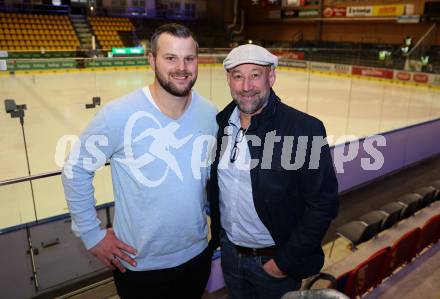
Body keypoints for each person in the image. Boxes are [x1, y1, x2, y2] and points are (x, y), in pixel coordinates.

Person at [62, 23, 218, 299]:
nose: (182, 67)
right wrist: (91, 235)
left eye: (189, 59)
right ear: (151, 60)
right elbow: (76, 168)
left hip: (196, 256)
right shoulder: (118, 114)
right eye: (170, 58)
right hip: (139, 265)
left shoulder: (209, 114)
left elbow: (209, 178)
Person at [208, 44, 339, 299]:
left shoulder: (303, 129)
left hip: (273, 264)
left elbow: (324, 204)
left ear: (271, 77)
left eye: (255, 75)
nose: (246, 86)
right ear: (228, 80)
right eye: (238, 76)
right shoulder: (222, 122)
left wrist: (282, 264)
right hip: (231, 255)